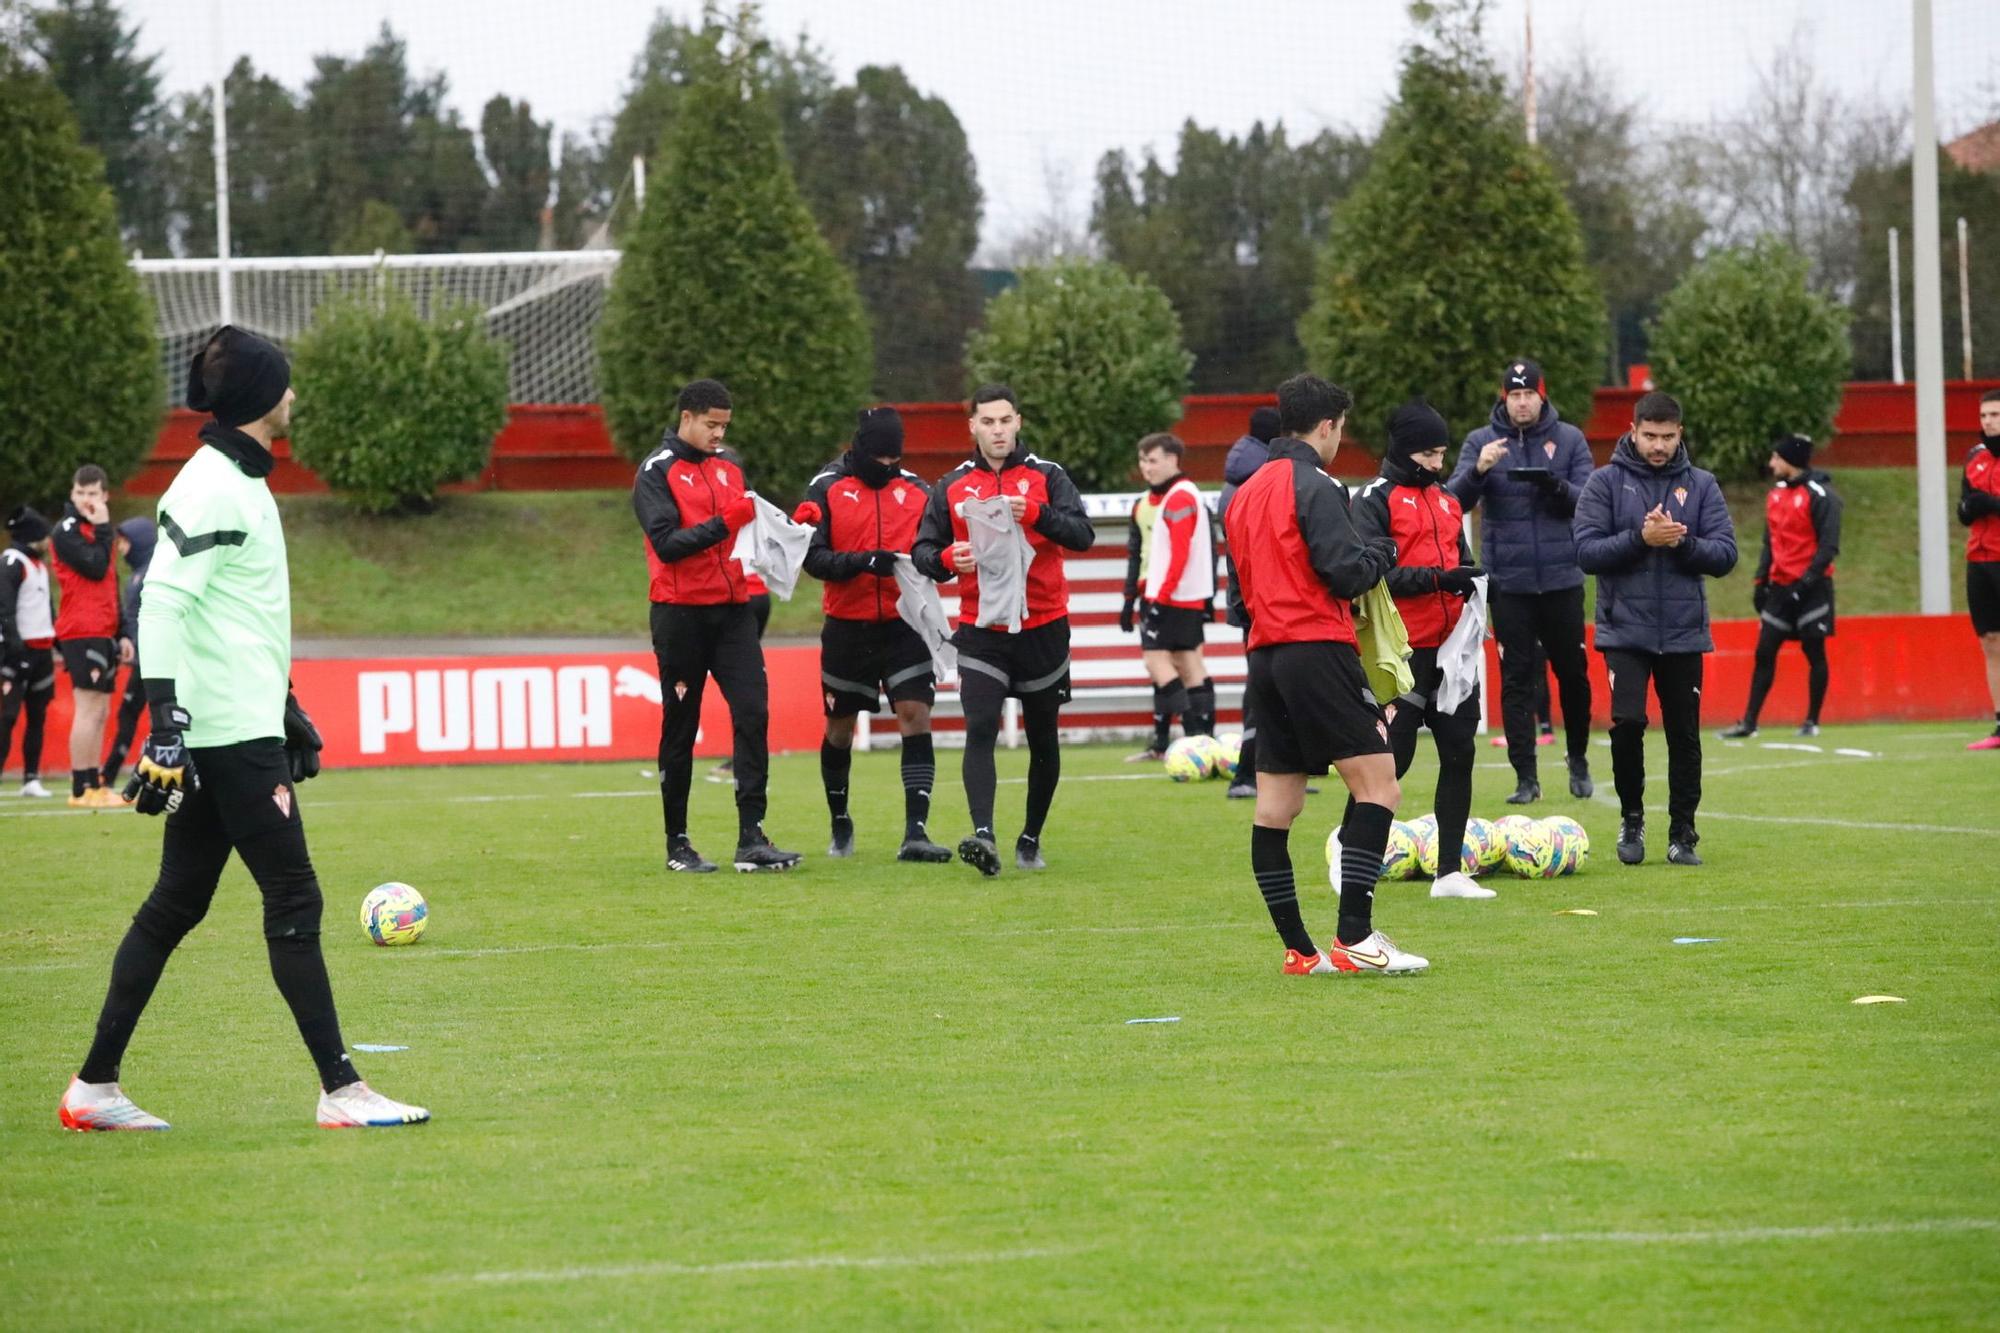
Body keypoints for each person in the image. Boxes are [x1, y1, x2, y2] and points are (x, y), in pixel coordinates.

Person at [61, 325, 426, 1132]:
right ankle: (343, 1089)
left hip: (236, 725)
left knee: (175, 904)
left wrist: (284, 702)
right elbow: (164, 603)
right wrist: (165, 723)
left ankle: (93, 1086)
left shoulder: (236, 477)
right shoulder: (213, 486)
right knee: (293, 896)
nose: (293, 395)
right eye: (285, 385)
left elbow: (235, 614)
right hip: (223, 739)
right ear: (262, 397)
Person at [1226, 373, 1426, 976]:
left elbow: (1237, 600)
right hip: (1317, 649)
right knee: (1380, 786)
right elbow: (1344, 573)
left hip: (1264, 658)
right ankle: (1356, 939)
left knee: (1276, 806)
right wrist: (1384, 553)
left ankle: (1299, 950)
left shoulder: (1240, 493)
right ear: (1327, 425)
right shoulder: (1316, 484)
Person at [911, 383, 1094, 876]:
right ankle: (984, 835)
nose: (997, 430)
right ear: (971, 425)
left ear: (1018, 422)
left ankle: (1030, 837)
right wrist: (948, 559)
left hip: (1044, 626)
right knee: (981, 727)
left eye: (1004, 421)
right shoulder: (950, 485)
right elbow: (922, 552)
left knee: (1043, 738)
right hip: (982, 628)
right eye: (987, 422)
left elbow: (1083, 535)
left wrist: (1036, 514)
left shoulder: (1048, 477)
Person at [633, 378, 800, 873]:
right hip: (680, 614)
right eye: (711, 425)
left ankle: (752, 836)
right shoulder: (655, 472)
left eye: (724, 426)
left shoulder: (729, 468)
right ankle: (678, 843)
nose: (718, 435)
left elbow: (753, 523)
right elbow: (667, 543)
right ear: (687, 417)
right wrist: (728, 522)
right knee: (681, 727)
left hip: (733, 611)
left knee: (753, 713)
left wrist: (796, 527)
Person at [1573, 391, 1737, 868]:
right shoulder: (1604, 484)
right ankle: (1631, 818)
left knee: (1685, 734)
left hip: (1683, 631)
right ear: (1633, 430)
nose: (1659, 445)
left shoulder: (1702, 485)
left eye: (1667, 437)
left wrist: (1680, 542)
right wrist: (1641, 539)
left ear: (1679, 433)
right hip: (1624, 630)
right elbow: (1585, 552)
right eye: (1650, 436)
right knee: (1628, 726)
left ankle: (1683, 832)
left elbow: (1725, 554)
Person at [796, 406, 952, 863]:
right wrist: (863, 561)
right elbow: (813, 559)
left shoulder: (919, 491)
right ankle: (840, 821)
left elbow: (932, 555)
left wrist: (938, 564)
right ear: (859, 448)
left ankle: (915, 833)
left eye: (894, 461)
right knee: (840, 729)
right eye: (879, 459)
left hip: (907, 625)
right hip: (847, 628)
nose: (887, 468)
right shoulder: (825, 488)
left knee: (914, 716)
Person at [1352, 401, 1491, 900]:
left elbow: (1461, 560)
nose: (1437, 463)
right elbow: (1373, 573)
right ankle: (1352, 858)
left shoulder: (1449, 500)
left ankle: (1449, 872)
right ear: (1404, 449)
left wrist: (1471, 582)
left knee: (1460, 752)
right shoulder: (1373, 498)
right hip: (1400, 652)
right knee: (1389, 761)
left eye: (1441, 453)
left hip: (1451, 651)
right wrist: (1439, 579)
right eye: (1429, 453)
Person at [1447, 358, 1596, 804]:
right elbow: (1452, 502)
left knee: (1573, 674)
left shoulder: (1568, 439)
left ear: (1542, 395)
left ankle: (1579, 758)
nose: (1523, 402)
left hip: (1561, 577)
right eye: (1514, 395)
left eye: (1529, 393)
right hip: (1509, 583)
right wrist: (1478, 471)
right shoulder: (1480, 441)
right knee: (1516, 677)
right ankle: (1525, 778)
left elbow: (1589, 501)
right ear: (1504, 398)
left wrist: (1554, 485)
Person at [1722, 434, 1841, 739]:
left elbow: (1828, 547)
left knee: (1814, 652)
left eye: (1776, 457)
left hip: (1812, 588)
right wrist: (1761, 581)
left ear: (1791, 460)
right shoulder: (1775, 494)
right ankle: (1749, 722)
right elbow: (1769, 541)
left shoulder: (1822, 495)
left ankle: (1811, 721)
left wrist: (1805, 583)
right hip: (1779, 587)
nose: (1771, 463)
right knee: (1764, 652)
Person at [1120, 433, 1216, 761]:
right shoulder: (1184, 494)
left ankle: (1195, 739)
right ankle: (1204, 740)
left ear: (1174, 459)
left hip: (1173, 597)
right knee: (1189, 664)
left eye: (1154, 459)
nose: (1147, 467)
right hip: (1185, 595)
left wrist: (1158, 597)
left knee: (1156, 661)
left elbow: (1179, 554)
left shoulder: (1177, 497)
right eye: (1143, 460)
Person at [50, 464, 133, 807]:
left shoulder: (100, 531)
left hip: (103, 628)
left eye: (93, 494)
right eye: (81, 493)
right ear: (72, 494)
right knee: (87, 708)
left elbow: (111, 583)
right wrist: (102, 528)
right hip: (80, 629)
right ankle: (80, 788)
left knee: (100, 711)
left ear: (105, 495)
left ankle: (96, 785)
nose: (86, 499)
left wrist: (124, 631)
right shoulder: (66, 531)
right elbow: (95, 567)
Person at [1217, 405, 1282, 798]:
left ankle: (1276, 768)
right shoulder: (1257, 481)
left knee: (1271, 686)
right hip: (1263, 601)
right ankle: (1246, 774)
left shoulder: (1240, 478)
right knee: (1263, 687)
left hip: (1253, 601)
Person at [705, 444, 773, 786]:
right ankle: (743, 757)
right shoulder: (753, 502)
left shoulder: (717, 501)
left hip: (735, 596)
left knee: (739, 686)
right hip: (758, 594)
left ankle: (740, 759)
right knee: (744, 684)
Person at [2, 506, 57, 798]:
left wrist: (58, 641)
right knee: (7, 716)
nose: (48, 541)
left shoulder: (40, 565)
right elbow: (5, 610)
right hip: (18, 653)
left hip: (42, 652)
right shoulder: (12, 562)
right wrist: (13, 647)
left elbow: (47, 610)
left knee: (38, 716)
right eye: (44, 535)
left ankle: (31, 777)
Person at [101, 517, 158, 791]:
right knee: (130, 713)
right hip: (143, 658)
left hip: (154, 658)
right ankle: (110, 774)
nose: (121, 548)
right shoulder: (139, 574)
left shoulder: (152, 573)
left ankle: (111, 774)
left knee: (143, 714)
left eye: (124, 541)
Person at [1959, 388, 2000, 751]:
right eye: (1984, 415)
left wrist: (1993, 504)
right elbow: (1963, 509)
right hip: (1980, 559)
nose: (1988, 421)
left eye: (1996, 415)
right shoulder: (1975, 457)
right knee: (1990, 641)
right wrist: (1970, 508)